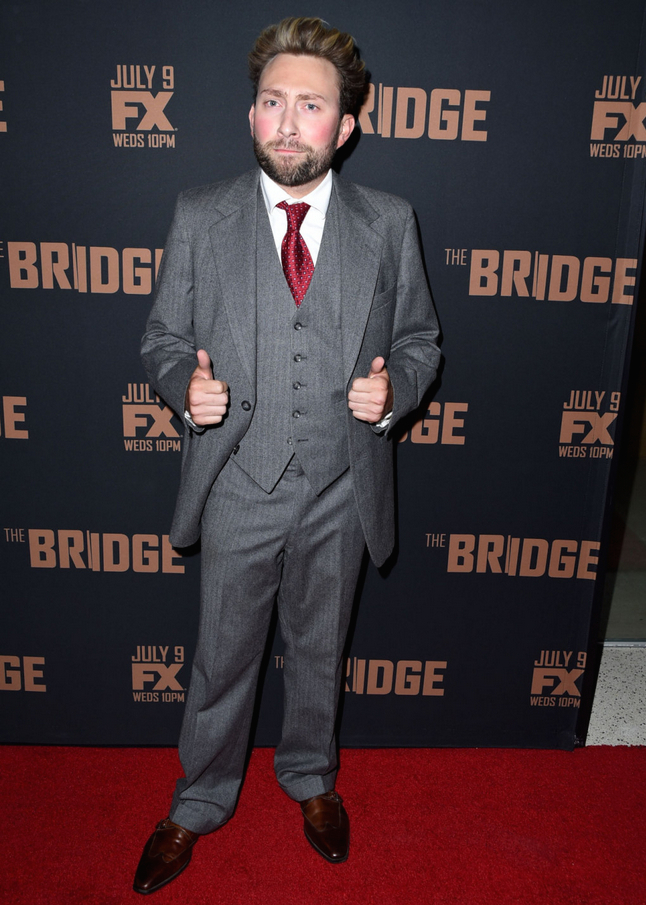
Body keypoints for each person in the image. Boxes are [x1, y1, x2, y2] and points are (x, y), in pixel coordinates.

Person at [134, 16, 440, 894]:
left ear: (345, 127)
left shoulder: (389, 224)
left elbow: (420, 341)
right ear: (251, 114)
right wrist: (180, 389)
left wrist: (396, 397)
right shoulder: (202, 214)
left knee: (320, 649)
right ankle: (198, 798)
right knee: (222, 652)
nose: (287, 123)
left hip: (342, 487)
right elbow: (163, 337)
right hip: (238, 481)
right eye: (273, 102)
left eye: (311, 106)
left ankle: (310, 777)